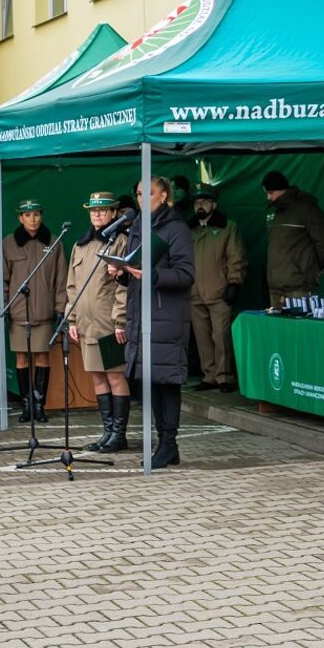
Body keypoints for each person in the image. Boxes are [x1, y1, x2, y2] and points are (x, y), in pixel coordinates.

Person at [109, 176, 195, 469]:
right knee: (150, 381)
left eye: (150, 193)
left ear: (165, 196)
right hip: (141, 314)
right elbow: (135, 269)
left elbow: (186, 275)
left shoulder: (177, 228)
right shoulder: (136, 227)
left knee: (166, 381)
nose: (143, 198)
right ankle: (164, 444)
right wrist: (121, 272)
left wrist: (153, 275)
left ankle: (168, 443)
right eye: (139, 194)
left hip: (165, 315)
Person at [66, 191, 130, 452]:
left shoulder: (121, 241)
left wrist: (121, 320)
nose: (98, 214)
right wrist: (71, 318)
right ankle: (107, 432)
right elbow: (72, 285)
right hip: (86, 323)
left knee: (115, 376)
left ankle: (119, 434)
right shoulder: (80, 245)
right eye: (93, 210)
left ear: (114, 213)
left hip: (108, 321)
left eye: (103, 210)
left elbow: (124, 286)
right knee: (96, 377)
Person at [3, 199, 67, 423]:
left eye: (36, 214)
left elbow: (61, 278)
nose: (33, 219)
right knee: (21, 357)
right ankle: (27, 405)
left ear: (41, 216)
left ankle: (40, 405)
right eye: (27, 215)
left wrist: (60, 308)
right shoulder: (9, 243)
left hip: (45, 310)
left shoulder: (53, 242)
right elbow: (3, 279)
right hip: (19, 312)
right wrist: (4, 307)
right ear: (20, 218)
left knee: (42, 355)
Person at [189, 184, 247, 393]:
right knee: (202, 338)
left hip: (219, 290)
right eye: (197, 203)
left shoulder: (228, 227)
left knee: (221, 336)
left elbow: (236, 258)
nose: (200, 206)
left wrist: (234, 282)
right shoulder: (190, 229)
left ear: (214, 204)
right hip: (194, 292)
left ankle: (224, 376)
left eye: (204, 202)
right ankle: (210, 375)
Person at [263, 171, 324, 309]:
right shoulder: (273, 212)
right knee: (277, 331)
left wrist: (315, 267)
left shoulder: (307, 208)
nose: (268, 197)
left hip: (300, 288)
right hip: (275, 288)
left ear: (281, 189)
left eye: (270, 192)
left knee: (298, 330)